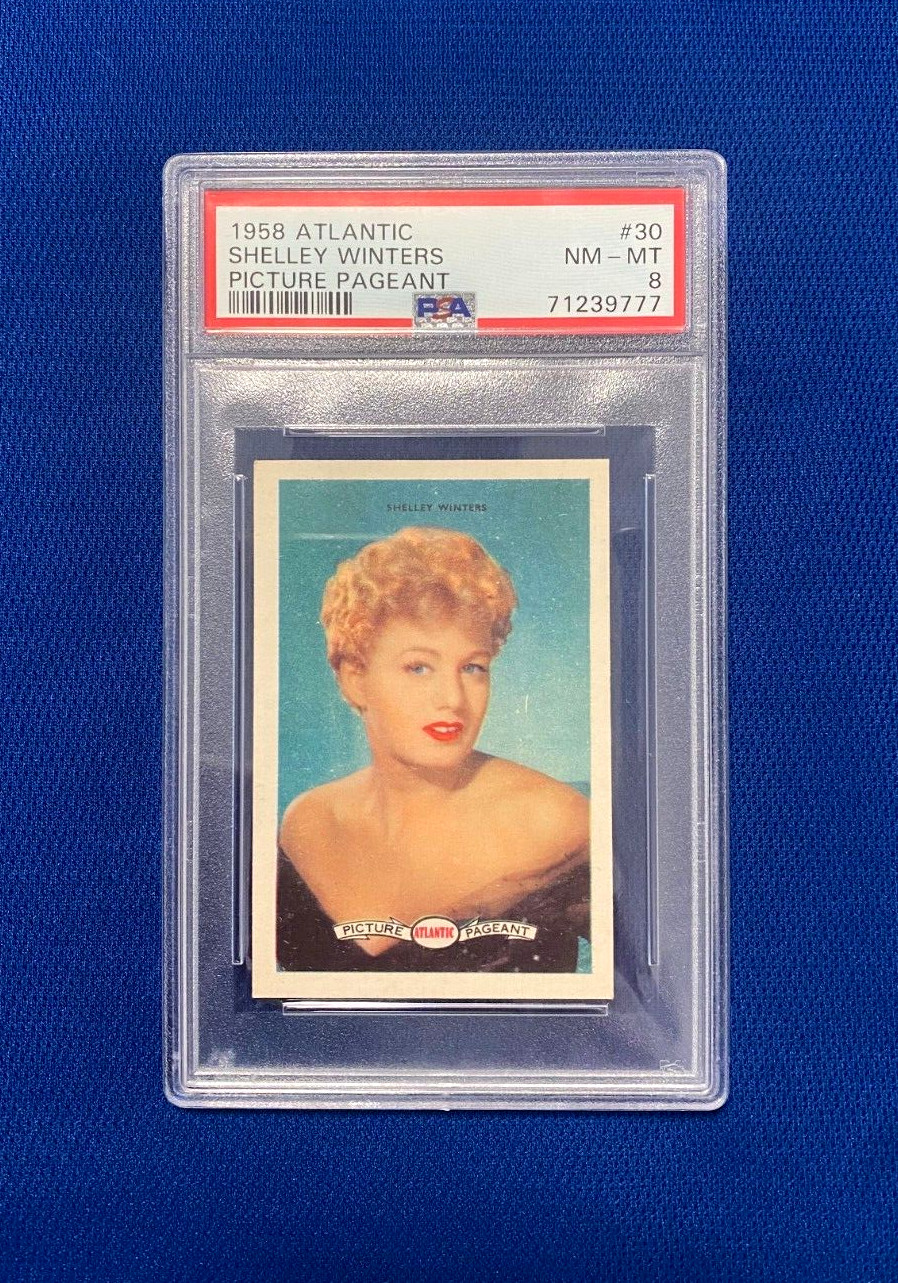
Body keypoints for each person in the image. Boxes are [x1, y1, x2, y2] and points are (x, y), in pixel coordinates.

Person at [276, 526, 590, 972]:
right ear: (355, 678)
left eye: (472, 668)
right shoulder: (311, 823)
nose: (453, 699)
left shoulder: (555, 822)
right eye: (419, 667)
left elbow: (647, 990)